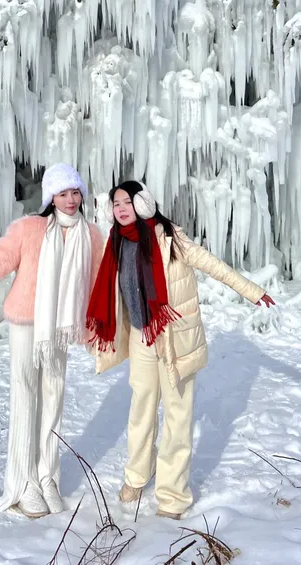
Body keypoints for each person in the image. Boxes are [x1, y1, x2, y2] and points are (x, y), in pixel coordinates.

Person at [86, 181, 275, 519]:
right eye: (116, 204)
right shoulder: (115, 243)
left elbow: (211, 263)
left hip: (174, 339)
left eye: (127, 201)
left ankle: (173, 496)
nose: (121, 208)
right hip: (142, 338)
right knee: (141, 407)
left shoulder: (169, 237)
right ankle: (137, 475)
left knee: (177, 413)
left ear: (144, 203)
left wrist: (252, 291)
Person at [0, 164, 103, 519]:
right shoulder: (29, 230)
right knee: (26, 395)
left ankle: (48, 477)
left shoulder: (90, 235)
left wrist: (96, 334)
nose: (71, 200)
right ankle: (25, 482)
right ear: (50, 197)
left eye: (75, 192)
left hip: (61, 329)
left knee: (54, 397)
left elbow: (94, 286)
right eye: (63, 193)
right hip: (27, 326)